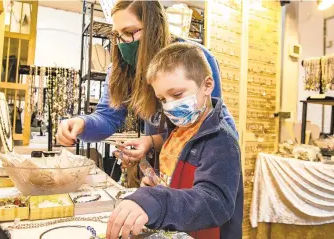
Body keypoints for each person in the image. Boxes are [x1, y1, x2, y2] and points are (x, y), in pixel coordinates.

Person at [56, 1, 237, 156]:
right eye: (117, 35)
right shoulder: (120, 70)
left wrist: (152, 141)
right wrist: (82, 123)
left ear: (154, 27)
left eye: (129, 32)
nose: (122, 43)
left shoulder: (195, 58)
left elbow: (211, 124)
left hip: (205, 158)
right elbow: (108, 117)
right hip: (164, 163)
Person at [106, 43, 243, 239]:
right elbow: (177, 184)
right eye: (162, 99)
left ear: (207, 85)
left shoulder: (221, 140)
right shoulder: (179, 130)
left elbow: (214, 202)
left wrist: (157, 200)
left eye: (177, 94)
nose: (170, 105)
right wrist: (158, 185)